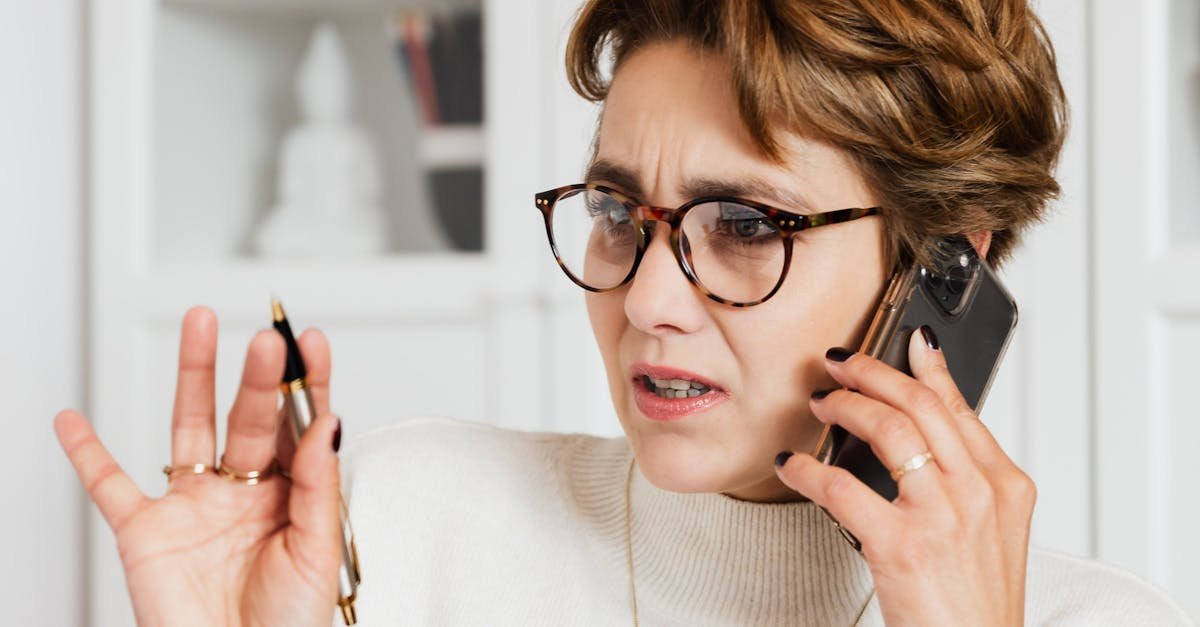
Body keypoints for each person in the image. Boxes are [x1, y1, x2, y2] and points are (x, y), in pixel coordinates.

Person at [54, 1, 1194, 625]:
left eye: (745, 224)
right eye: (615, 208)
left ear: (945, 265)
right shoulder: (402, 527)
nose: (647, 301)